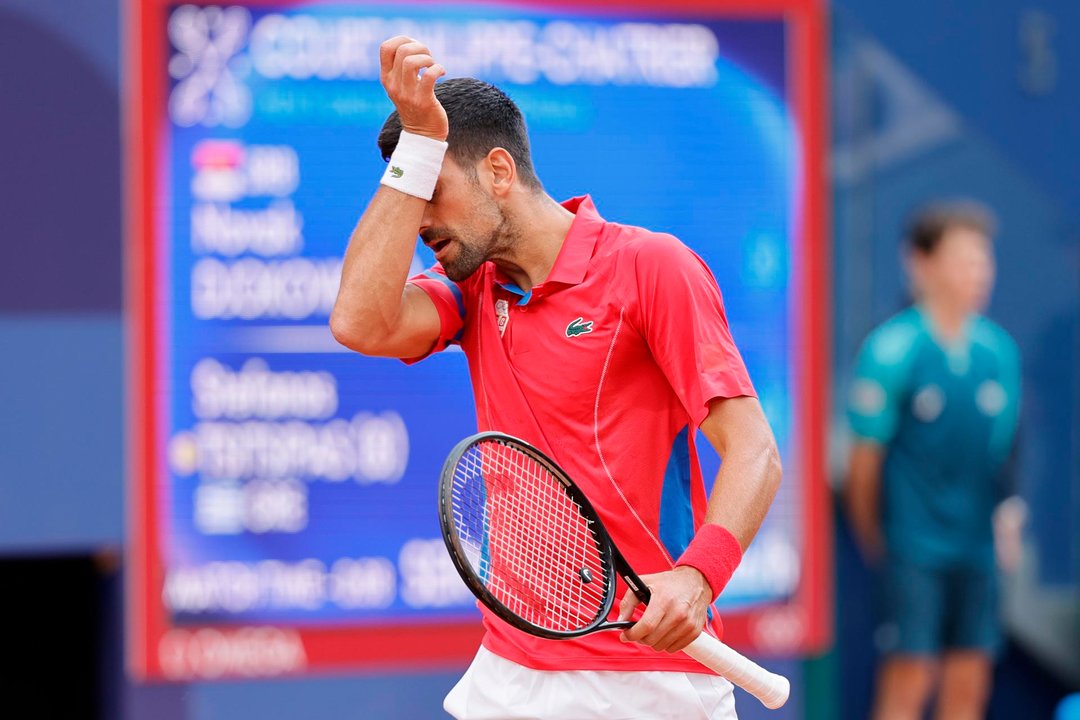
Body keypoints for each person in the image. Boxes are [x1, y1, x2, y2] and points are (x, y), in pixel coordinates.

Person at [330, 37, 782, 719]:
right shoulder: (470, 292)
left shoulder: (650, 267)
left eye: (432, 189)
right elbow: (359, 323)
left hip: (648, 685)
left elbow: (755, 451)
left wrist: (697, 576)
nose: (419, 219)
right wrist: (420, 148)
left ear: (500, 171)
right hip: (509, 674)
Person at [844, 201, 1022, 720]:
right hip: (912, 550)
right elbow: (862, 470)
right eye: (964, 258)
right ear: (920, 263)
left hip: (977, 551)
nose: (979, 272)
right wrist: (886, 543)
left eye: (984, 260)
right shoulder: (892, 349)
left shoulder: (999, 352)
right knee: (909, 677)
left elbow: (1004, 454)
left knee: (969, 678)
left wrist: (1006, 516)